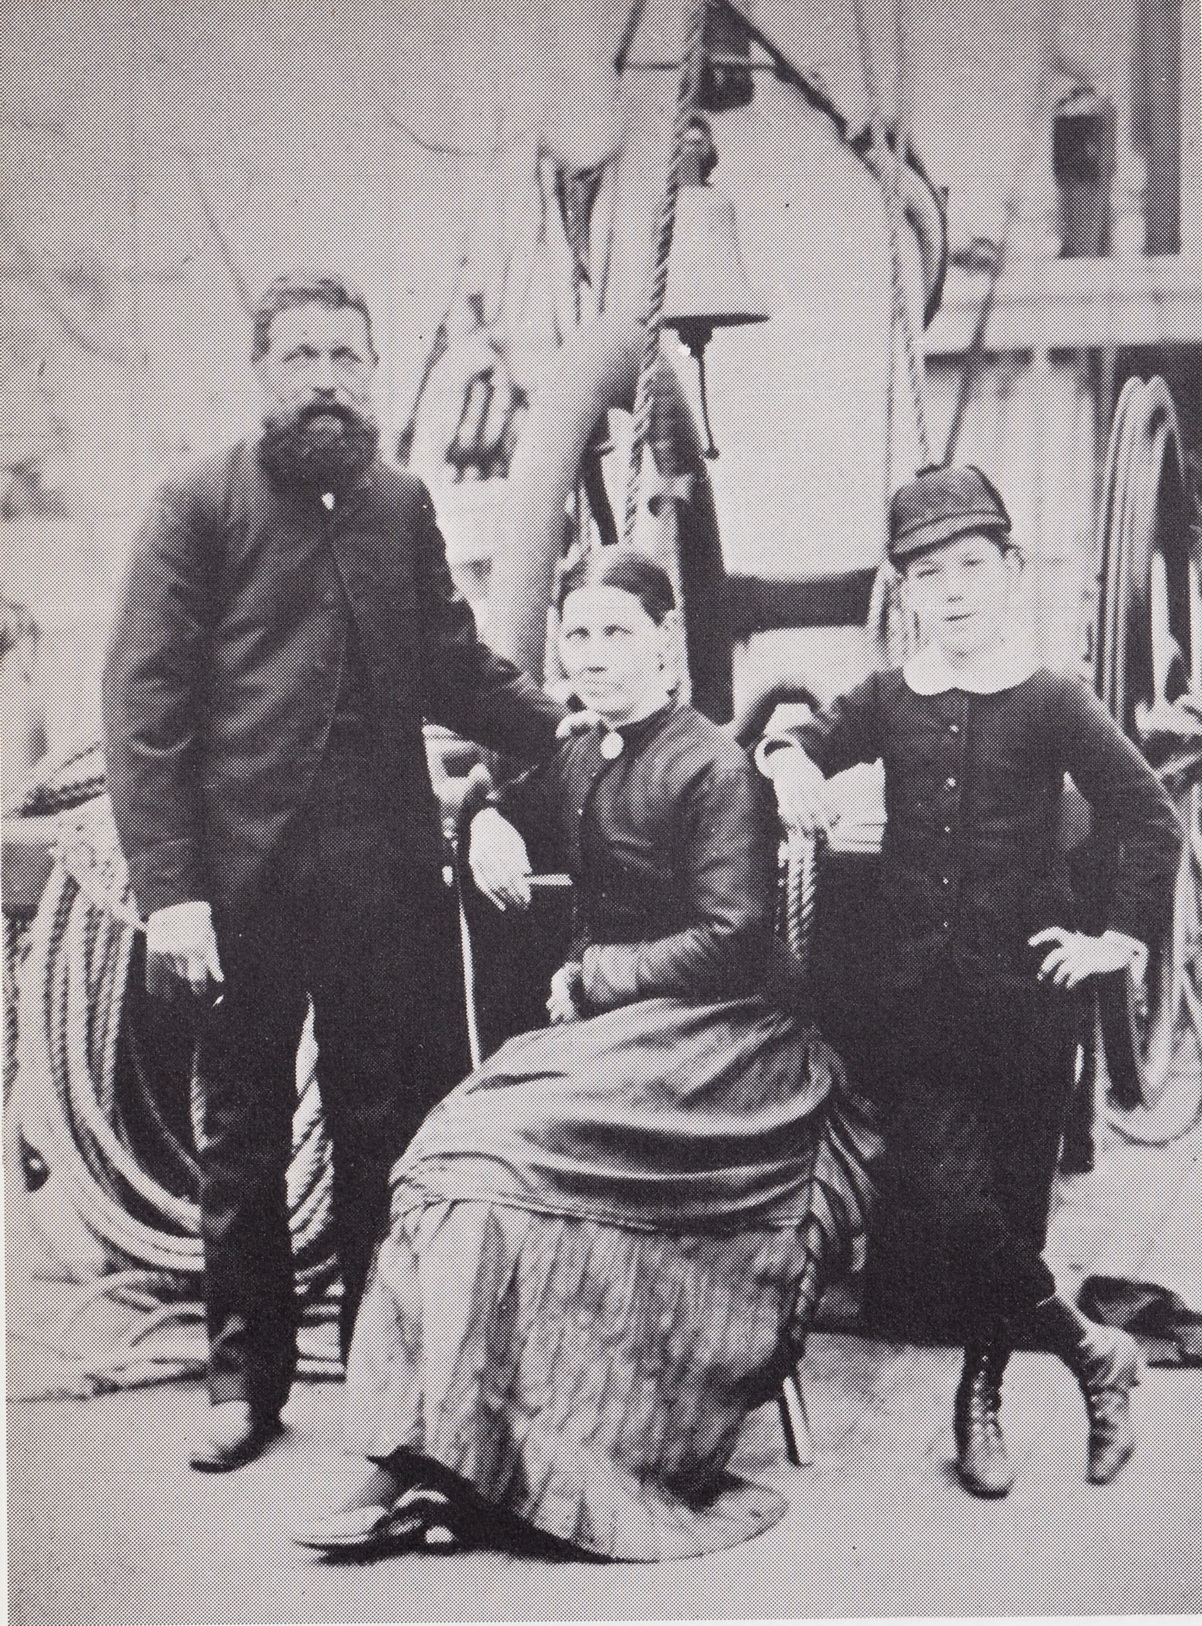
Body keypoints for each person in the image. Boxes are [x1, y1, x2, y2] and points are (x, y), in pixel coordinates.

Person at [291, 550, 878, 1562]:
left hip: (727, 1048)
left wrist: (594, 977)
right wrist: (483, 819)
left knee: (498, 1156)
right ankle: (431, 1454)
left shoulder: (713, 766)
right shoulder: (580, 751)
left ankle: (451, 1467)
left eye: (616, 633)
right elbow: (511, 790)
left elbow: (734, 935)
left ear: (664, 641)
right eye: (577, 636)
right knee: (448, 1158)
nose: (594, 655)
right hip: (616, 1039)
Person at [102, 273, 567, 1472]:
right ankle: (243, 1383)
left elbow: (454, 663)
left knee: (382, 1132)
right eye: (301, 356)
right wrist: (173, 896)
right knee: (243, 1136)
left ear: (371, 371)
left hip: (381, 887)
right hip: (238, 892)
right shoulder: (196, 505)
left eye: (346, 357)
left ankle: (381, 1377)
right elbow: (144, 712)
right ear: (262, 372)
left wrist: (567, 733)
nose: (325, 379)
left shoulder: (398, 505)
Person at [759, 464, 1181, 1497]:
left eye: (970, 567)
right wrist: (787, 759)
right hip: (916, 1009)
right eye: (926, 575)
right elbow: (801, 733)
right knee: (949, 1200)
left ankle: (979, 1403)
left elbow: (1149, 819)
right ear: (903, 592)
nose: (950, 592)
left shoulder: (1052, 700)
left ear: (1010, 571)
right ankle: (1090, 1353)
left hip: (1029, 1006)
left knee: (1015, 1213)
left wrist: (1116, 943)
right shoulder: (888, 699)